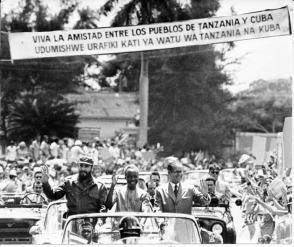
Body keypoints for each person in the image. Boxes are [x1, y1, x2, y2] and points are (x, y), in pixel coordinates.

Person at [41, 155, 107, 217]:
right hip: (72, 223)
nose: (83, 169)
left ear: (91, 168)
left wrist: (101, 218)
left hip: (92, 223)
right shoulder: (68, 182)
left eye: (86, 166)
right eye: (81, 165)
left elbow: (103, 207)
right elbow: (53, 195)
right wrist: (45, 182)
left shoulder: (100, 186)